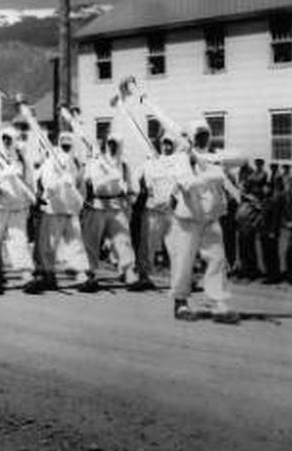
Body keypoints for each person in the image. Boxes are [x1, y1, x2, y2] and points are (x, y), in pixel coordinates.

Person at [164, 120, 241, 323]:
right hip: (189, 217)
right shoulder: (182, 159)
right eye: (199, 135)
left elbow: (241, 159)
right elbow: (186, 184)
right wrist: (207, 176)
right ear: (191, 137)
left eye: (206, 134)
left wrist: (213, 164)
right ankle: (180, 302)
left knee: (217, 259)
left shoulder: (213, 157)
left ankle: (218, 303)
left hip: (211, 217)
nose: (203, 138)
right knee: (184, 261)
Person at [82, 133, 150, 291]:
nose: (112, 147)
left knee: (123, 241)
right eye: (110, 143)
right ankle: (89, 275)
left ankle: (129, 273)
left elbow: (133, 188)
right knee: (90, 242)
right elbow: (86, 182)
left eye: (115, 144)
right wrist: (85, 202)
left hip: (117, 207)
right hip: (97, 206)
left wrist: (129, 203)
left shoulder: (124, 166)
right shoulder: (95, 162)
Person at [26, 132, 89, 294]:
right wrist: (57, 183)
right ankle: (48, 275)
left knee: (75, 244)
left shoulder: (75, 161)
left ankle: (82, 275)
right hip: (54, 208)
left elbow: (81, 184)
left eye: (69, 142)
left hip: (71, 209)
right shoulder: (51, 160)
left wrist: (79, 200)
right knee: (49, 244)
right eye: (63, 142)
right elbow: (46, 181)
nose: (66, 145)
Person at [0, 126, 35, 293]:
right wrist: (3, 175)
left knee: (19, 242)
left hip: (18, 208)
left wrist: (33, 201)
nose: (7, 142)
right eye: (4, 138)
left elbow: (29, 182)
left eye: (10, 139)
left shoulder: (22, 160)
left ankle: (26, 276)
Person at [134, 136, 178, 286]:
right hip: (152, 210)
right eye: (164, 145)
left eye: (169, 145)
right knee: (147, 245)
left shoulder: (178, 164)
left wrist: (174, 196)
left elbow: (182, 183)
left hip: (171, 211)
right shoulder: (150, 163)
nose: (166, 147)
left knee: (177, 246)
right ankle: (144, 276)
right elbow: (135, 178)